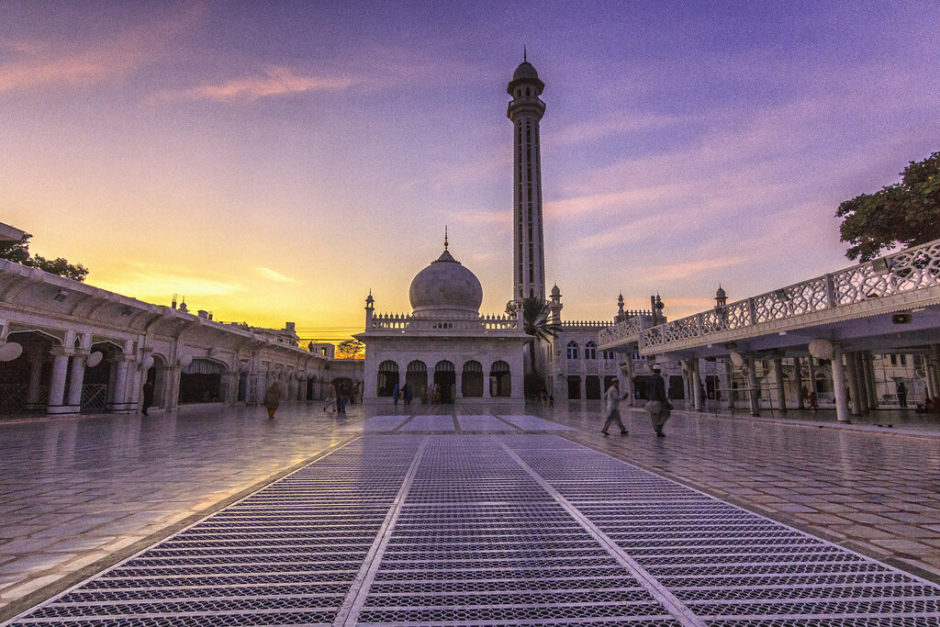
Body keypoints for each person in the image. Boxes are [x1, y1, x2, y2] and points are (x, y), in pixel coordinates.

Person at [645, 365, 670, 437]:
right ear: (659, 371)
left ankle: (657, 430)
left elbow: (647, 390)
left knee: (654, 416)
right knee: (666, 414)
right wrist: (665, 401)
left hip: (651, 400)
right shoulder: (660, 378)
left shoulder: (649, 379)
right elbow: (661, 390)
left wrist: (648, 399)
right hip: (658, 400)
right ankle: (659, 426)